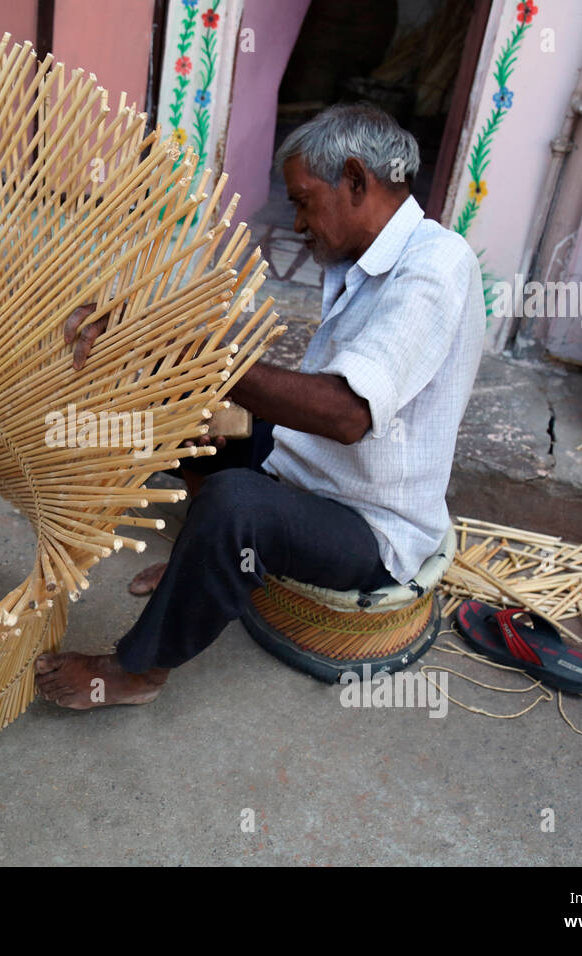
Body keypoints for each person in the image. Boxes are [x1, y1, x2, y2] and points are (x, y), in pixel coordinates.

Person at [35, 102, 485, 709]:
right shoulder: (367, 259)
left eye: (303, 200)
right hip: (314, 468)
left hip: (371, 525)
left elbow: (346, 415)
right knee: (198, 407)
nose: (297, 220)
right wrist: (160, 340)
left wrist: (200, 354)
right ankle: (203, 563)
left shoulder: (436, 266)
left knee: (235, 503)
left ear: (355, 179)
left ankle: (139, 670)